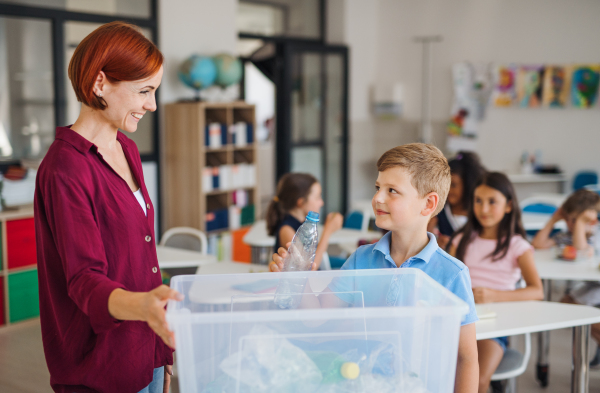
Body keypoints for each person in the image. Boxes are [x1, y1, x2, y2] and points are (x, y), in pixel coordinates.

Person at [35, 22, 180, 393]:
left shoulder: (126, 149)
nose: (152, 105)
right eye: (144, 91)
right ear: (100, 84)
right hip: (100, 370)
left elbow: (140, 259)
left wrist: (160, 352)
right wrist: (148, 310)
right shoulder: (65, 168)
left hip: (144, 351)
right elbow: (85, 281)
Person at [271, 144, 480, 392]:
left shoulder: (451, 273)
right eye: (378, 188)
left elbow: (466, 358)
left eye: (392, 191)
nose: (378, 198)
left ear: (428, 204)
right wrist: (299, 278)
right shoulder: (361, 260)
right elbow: (317, 319)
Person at [448, 172, 543, 393]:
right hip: (460, 322)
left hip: (496, 327)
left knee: (477, 380)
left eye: (492, 202)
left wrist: (493, 295)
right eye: (478, 201)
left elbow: (537, 291)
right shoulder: (461, 240)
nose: (484, 209)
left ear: (508, 206)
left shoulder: (517, 245)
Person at [532, 189, 600, 365]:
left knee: (576, 312)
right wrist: (554, 219)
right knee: (567, 305)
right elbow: (538, 244)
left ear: (591, 220)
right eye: (570, 220)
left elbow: (581, 249)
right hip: (593, 287)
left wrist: (581, 222)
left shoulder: (596, 235)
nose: (572, 225)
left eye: (577, 221)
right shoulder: (565, 237)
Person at [266, 173, 343, 271]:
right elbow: (307, 269)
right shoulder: (286, 229)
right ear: (301, 202)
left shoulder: (303, 225)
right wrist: (328, 231)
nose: (321, 202)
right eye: (317, 197)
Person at [428, 151, 486, 248]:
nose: (448, 190)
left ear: (468, 186)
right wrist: (435, 243)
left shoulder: (479, 214)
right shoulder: (437, 214)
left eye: (454, 185)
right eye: (446, 184)